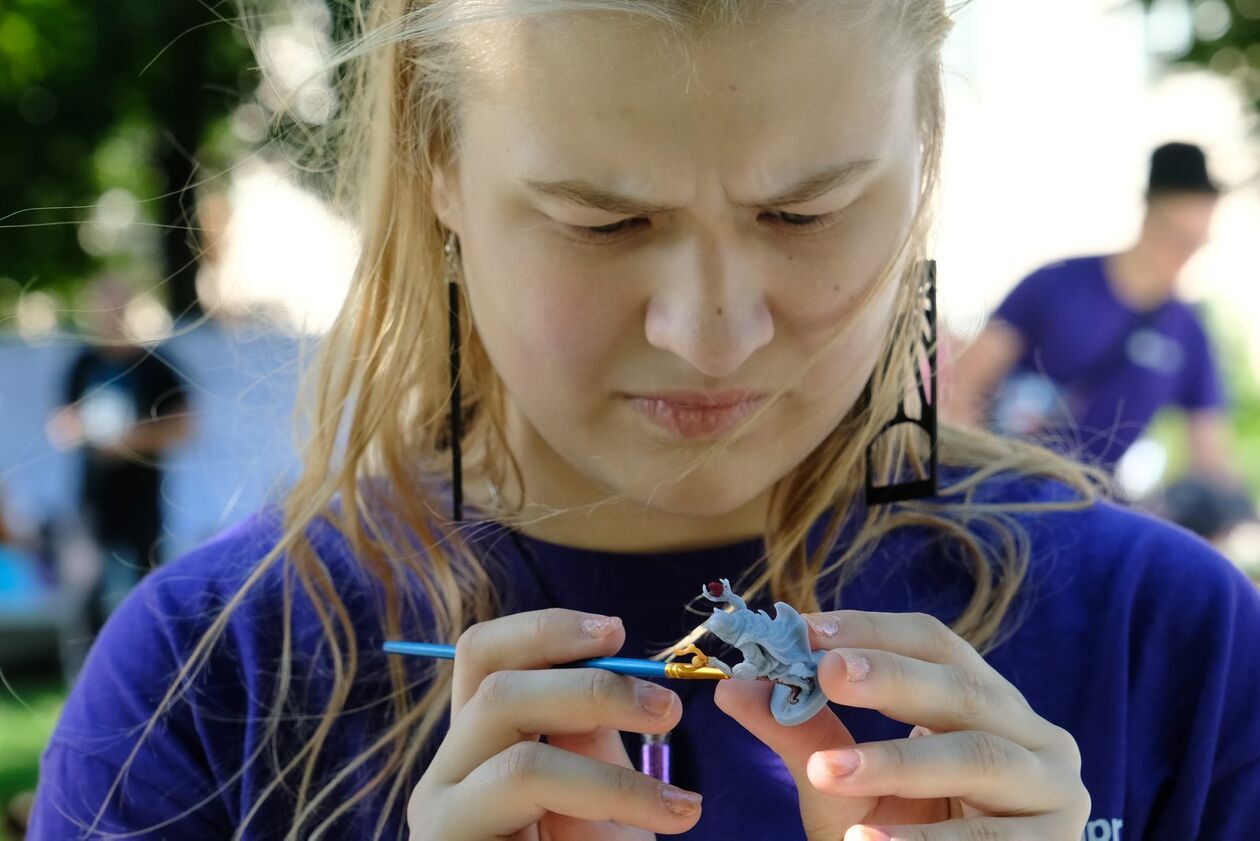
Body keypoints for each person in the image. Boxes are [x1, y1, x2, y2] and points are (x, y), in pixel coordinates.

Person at [30, 3, 1260, 839]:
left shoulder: (1175, 649)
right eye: (602, 222)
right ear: (438, 163)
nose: (714, 333)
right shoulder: (209, 685)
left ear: (922, 142)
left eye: (807, 211)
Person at [946, 142, 1232, 477]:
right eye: (1175, 236)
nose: (1182, 255)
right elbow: (964, 385)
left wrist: (1229, 505)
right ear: (1150, 212)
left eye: (1195, 243)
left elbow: (1211, 451)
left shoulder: (1188, 333)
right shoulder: (1055, 283)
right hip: (1005, 479)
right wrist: (973, 480)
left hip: (1091, 504)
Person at [46, 276, 191, 629]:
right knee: (86, 588)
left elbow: (185, 426)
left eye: (117, 307)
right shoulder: (83, 365)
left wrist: (130, 441)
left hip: (142, 498)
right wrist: (88, 433)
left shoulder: (156, 366)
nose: (110, 315)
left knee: (148, 586)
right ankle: (85, 672)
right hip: (94, 501)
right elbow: (59, 425)